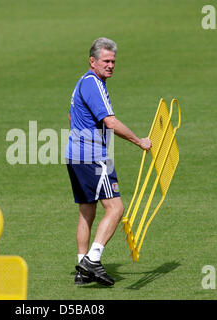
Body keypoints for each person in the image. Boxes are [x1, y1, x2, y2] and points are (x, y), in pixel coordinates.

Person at [65, 37, 152, 286]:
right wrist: (139, 141)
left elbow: (72, 116)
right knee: (116, 208)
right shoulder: (94, 84)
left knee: (86, 211)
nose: (111, 65)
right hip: (94, 158)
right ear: (92, 61)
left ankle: (82, 268)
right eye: (106, 60)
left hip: (75, 155)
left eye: (113, 61)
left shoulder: (83, 81)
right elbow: (110, 122)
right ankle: (93, 259)